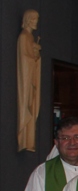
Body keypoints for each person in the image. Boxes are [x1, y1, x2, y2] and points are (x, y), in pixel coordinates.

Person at [17, 9, 41, 152]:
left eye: (36, 19)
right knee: (27, 106)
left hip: (31, 77)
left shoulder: (30, 37)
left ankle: (29, 140)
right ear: (27, 20)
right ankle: (24, 139)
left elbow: (31, 58)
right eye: (33, 19)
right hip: (26, 78)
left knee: (32, 106)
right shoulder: (24, 37)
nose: (35, 22)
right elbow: (24, 60)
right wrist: (34, 54)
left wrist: (36, 54)